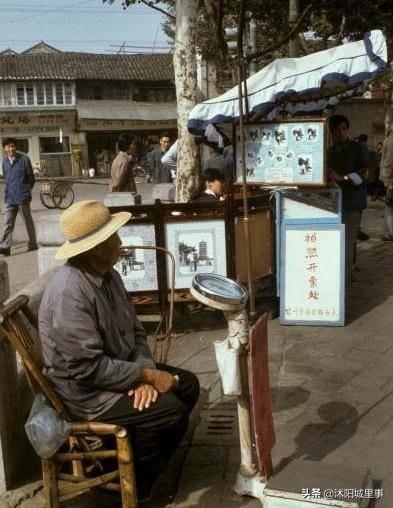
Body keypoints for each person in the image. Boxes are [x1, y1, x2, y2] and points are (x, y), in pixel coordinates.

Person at [38, 200, 200, 501]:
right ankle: (131, 491)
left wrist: (144, 375)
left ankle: (135, 463)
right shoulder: (69, 292)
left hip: (119, 370)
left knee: (188, 384)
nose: (121, 243)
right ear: (98, 248)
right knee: (170, 413)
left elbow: (136, 333)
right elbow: (86, 369)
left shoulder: (110, 276)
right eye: (114, 237)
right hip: (88, 393)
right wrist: (144, 375)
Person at [327, 115, 367, 288]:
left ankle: (345, 280)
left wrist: (341, 177)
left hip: (353, 202)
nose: (341, 133)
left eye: (343, 129)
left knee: (348, 241)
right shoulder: (329, 152)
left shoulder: (358, 149)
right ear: (331, 132)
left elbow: (364, 175)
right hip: (334, 202)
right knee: (338, 241)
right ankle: (345, 271)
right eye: (336, 130)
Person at [0, 137, 37, 256]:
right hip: (10, 198)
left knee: (27, 221)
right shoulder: (4, 162)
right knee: (7, 222)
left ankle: (33, 244)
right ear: (4, 148)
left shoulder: (24, 159)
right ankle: (5, 246)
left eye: (13, 146)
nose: (11, 149)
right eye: (8, 146)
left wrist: (26, 191)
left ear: (16, 147)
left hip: (22, 197)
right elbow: (7, 178)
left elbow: (31, 178)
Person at [380, 129, 393, 241]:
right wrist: (388, 181)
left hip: (389, 179)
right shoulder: (391, 140)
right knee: (390, 206)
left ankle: (386, 232)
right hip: (391, 180)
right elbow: (388, 162)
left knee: (389, 206)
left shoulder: (389, 139)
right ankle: (390, 232)